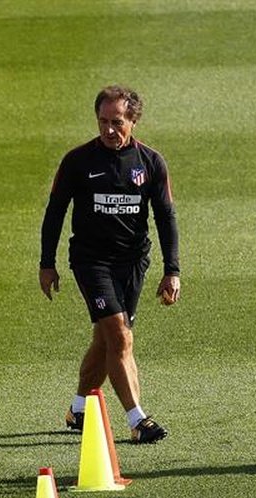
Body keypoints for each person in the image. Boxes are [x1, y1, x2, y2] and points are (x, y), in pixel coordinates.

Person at [39, 85, 181, 443]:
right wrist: (47, 262)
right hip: (91, 261)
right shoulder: (78, 161)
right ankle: (137, 419)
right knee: (120, 335)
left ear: (133, 120)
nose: (109, 130)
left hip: (133, 262)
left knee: (106, 341)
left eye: (117, 122)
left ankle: (79, 409)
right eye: (103, 121)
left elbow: (166, 217)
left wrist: (172, 270)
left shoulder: (151, 163)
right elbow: (55, 211)